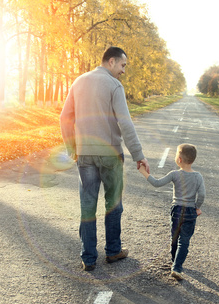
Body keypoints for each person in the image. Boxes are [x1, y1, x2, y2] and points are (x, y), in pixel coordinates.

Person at [60, 46, 150, 272]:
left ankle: (88, 258)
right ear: (111, 62)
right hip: (110, 154)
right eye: (122, 65)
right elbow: (125, 123)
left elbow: (64, 117)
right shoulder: (114, 85)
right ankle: (112, 251)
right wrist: (138, 155)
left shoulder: (78, 81)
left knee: (88, 205)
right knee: (113, 204)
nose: (123, 71)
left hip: (85, 155)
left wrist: (72, 147)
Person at [139, 144, 205, 280]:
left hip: (177, 210)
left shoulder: (174, 174)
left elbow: (157, 183)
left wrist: (144, 172)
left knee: (175, 237)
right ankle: (177, 267)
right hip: (190, 211)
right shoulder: (198, 176)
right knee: (184, 240)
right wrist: (197, 207)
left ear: (179, 159)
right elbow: (202, 194)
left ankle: (174, 259)